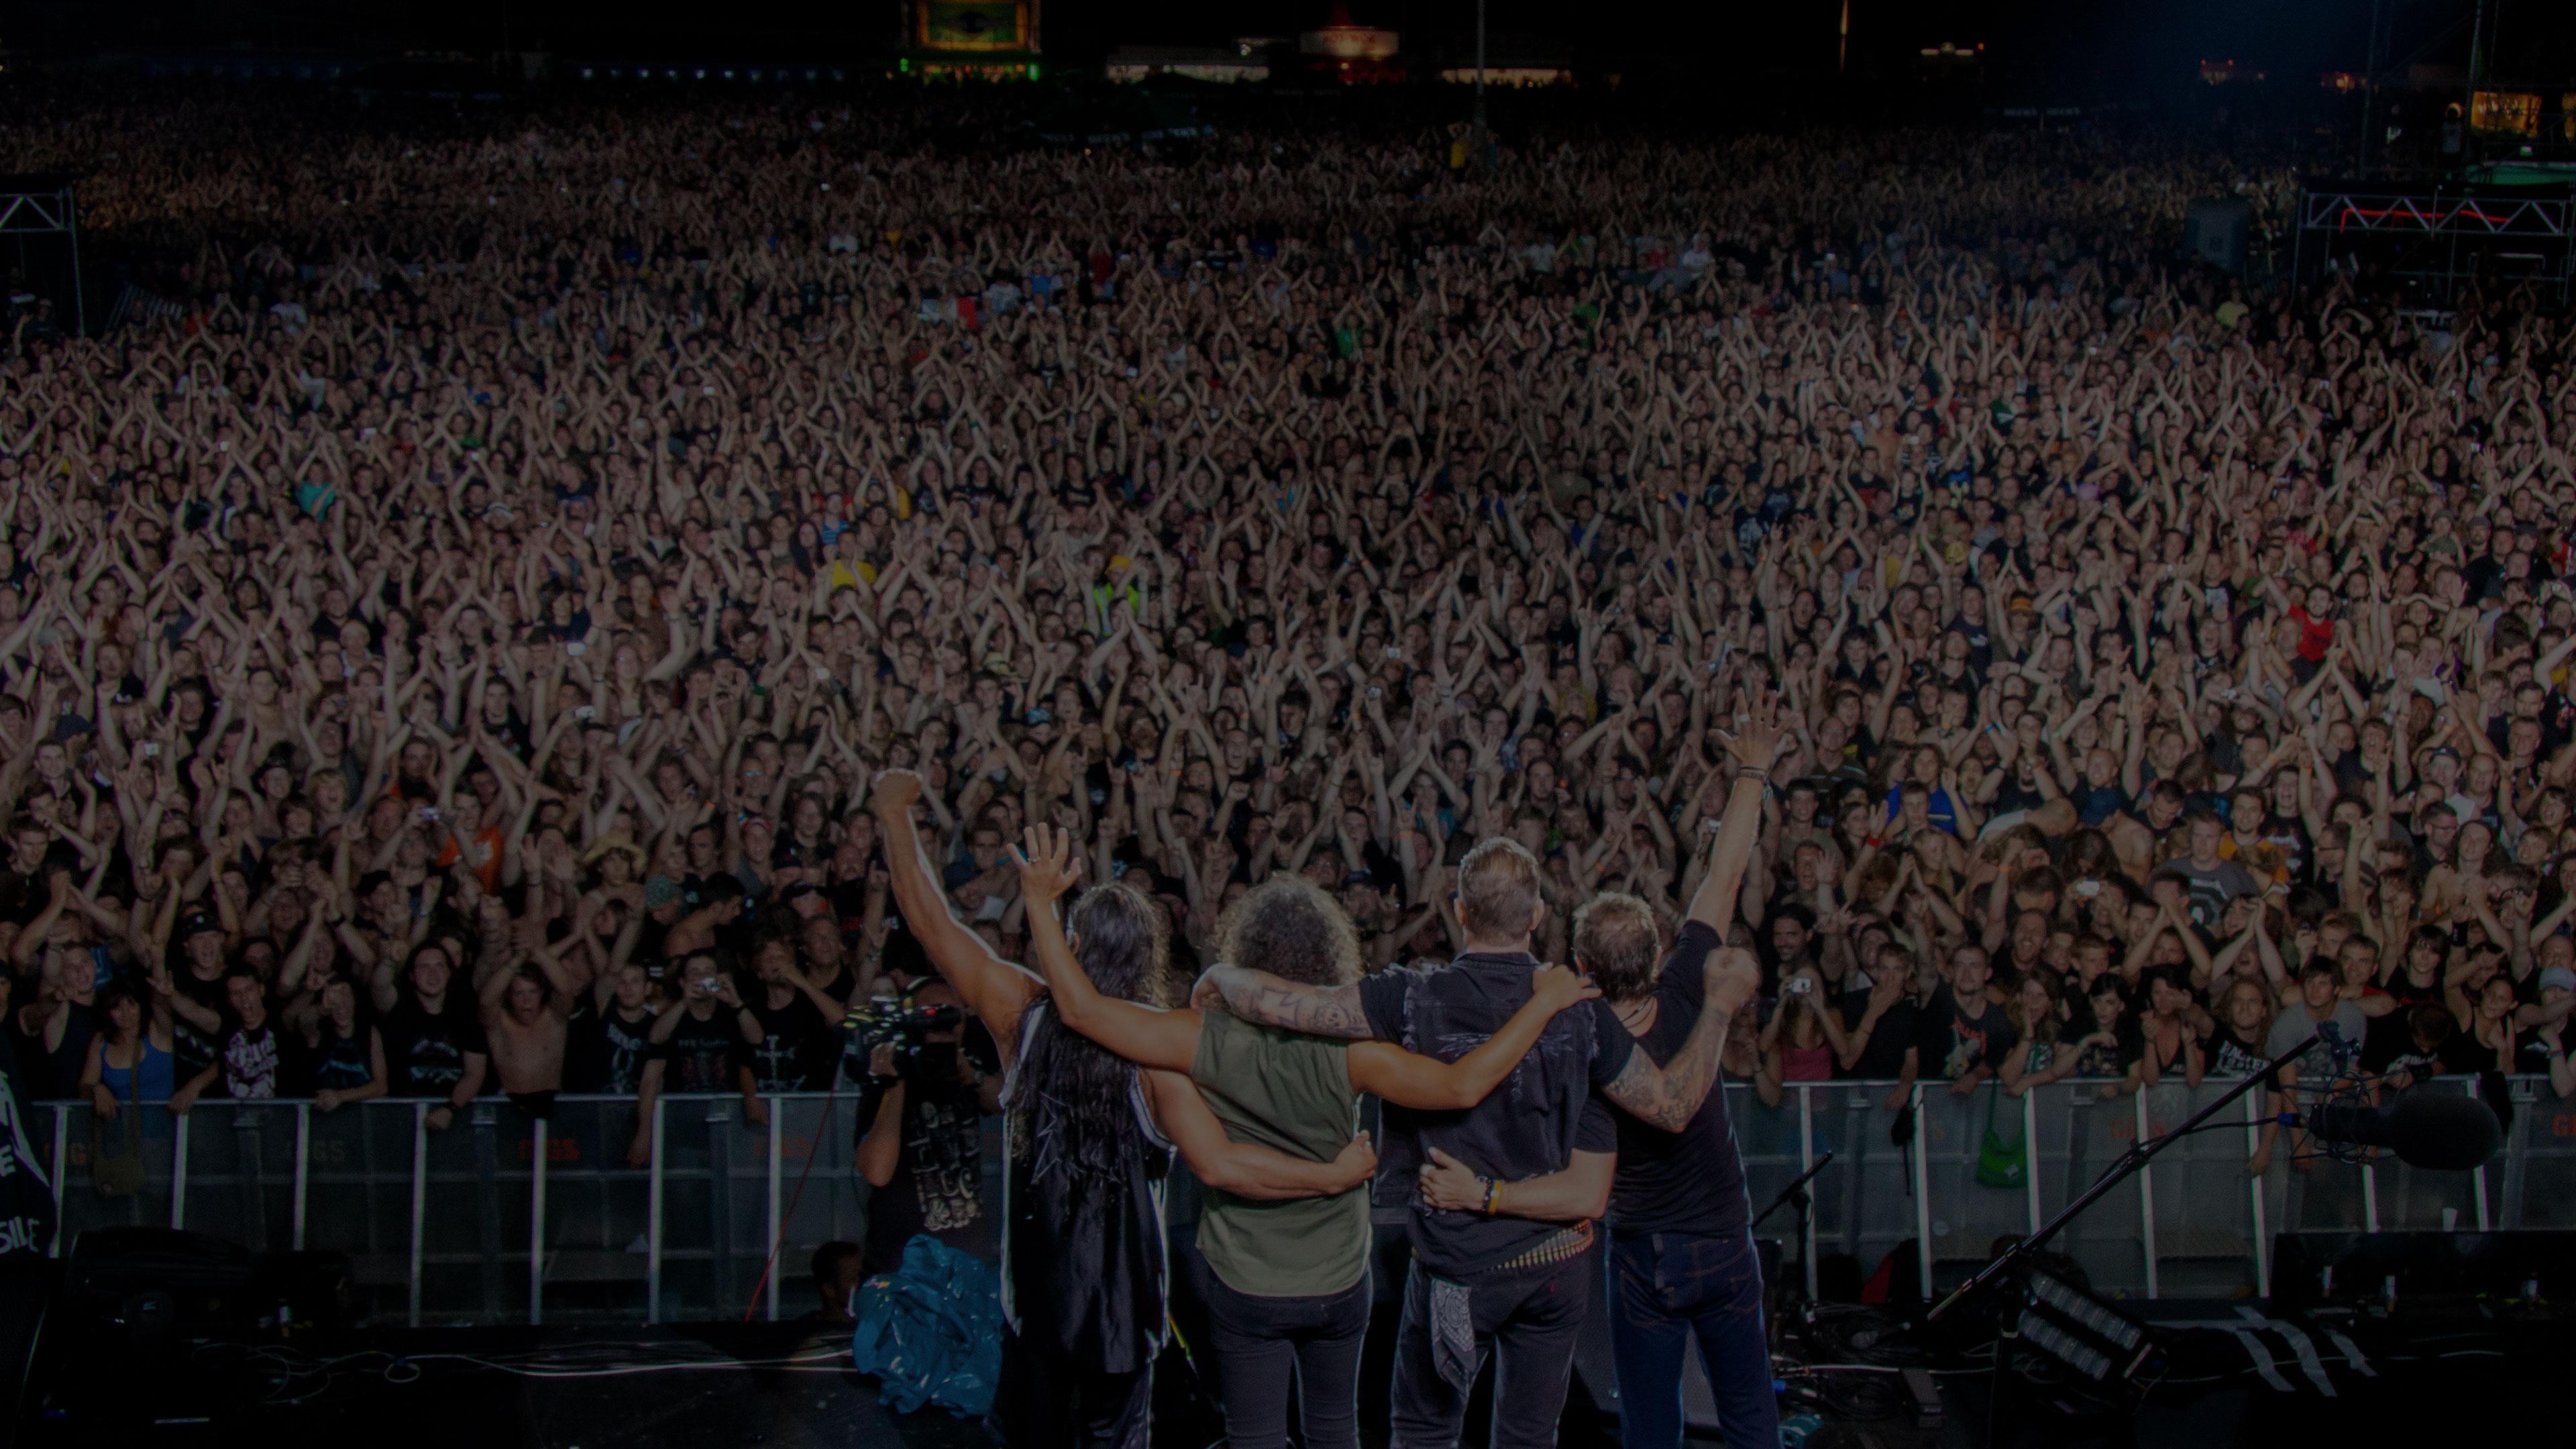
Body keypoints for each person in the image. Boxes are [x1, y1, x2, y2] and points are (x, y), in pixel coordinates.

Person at [1012, 826, 1603, 1449]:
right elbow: (1462, 1086)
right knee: (1332, 1431)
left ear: (1245, 947)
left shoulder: (1195, 1038)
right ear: (1329, 956)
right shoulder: (1357, 1057)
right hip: (1337, 1279)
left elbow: (1079, 1010)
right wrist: (1538, 1008)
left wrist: (1040, 903)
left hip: (1244, 1279)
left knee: (1256, 1437)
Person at [1197, 833, 1758, 1449]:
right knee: (1527, 1435)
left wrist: (1222, 971)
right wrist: (1719, 1009)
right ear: (1538, 916)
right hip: (1553, 1265)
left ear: (1460, 912)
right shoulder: (1577, 1007)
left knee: (1426, 1431)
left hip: (1459, 1269)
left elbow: (1294, 1007)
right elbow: (1672, 1105)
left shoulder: (1414, 996)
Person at [871, 768, 1374, 1449]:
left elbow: (930, 921)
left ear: (1070, 948)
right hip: (1126, 1319)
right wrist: (1332, 1176)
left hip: (1036, 1314)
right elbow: (1224, 1166)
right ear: (1148, 958)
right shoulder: (1158, 1056)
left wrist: (896, 812)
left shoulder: (1020, 1014)